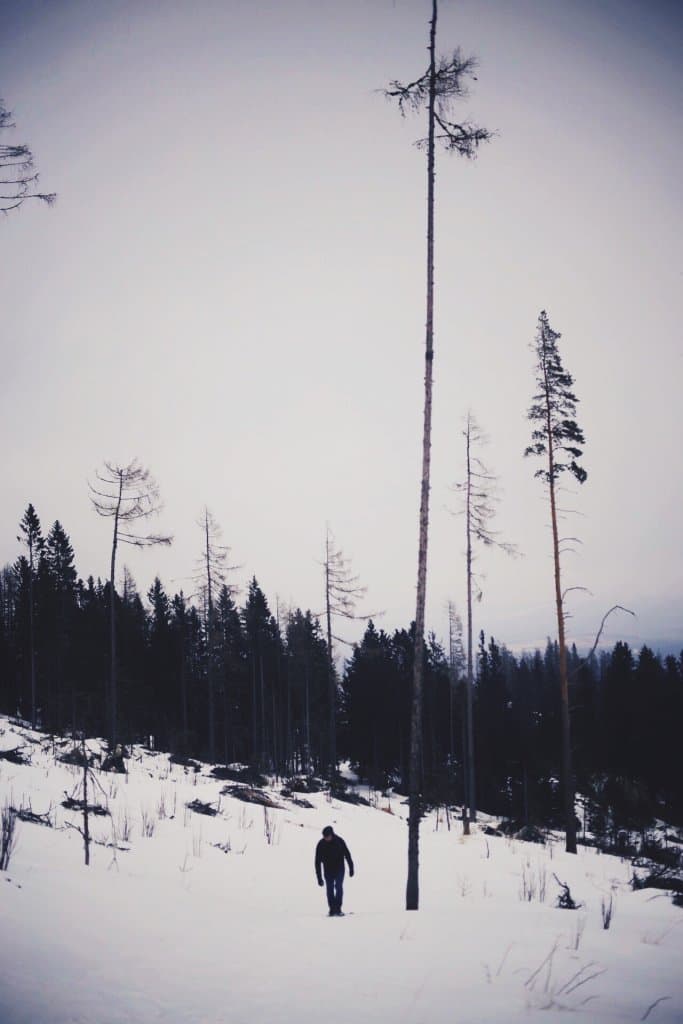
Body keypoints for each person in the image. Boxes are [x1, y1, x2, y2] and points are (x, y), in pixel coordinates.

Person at [315, 825, 354, 916]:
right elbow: (317, 862)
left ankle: (338, 908)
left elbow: (347, 855)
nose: (326, 838)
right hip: (328, 870)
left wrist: (351, 868)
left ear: (331, 834)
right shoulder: (321, 844)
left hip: (339, 868)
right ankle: (332, 909)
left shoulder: (339, 841)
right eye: (324, 837)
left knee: (339, 887)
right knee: (329, 889)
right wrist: (319, 878)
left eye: (327, 836)